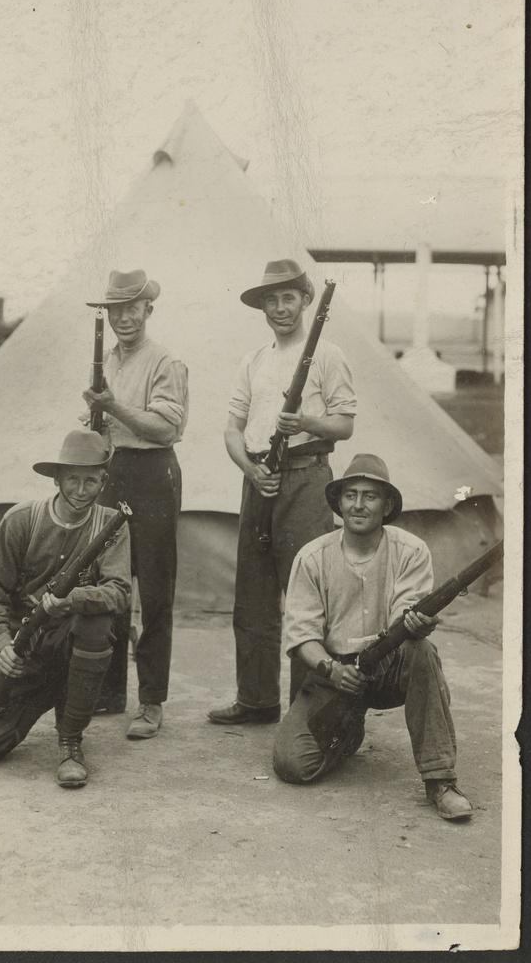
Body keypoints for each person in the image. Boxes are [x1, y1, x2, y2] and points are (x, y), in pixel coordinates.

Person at [272, 454, 473, 822]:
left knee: (422, 651)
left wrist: (416, 623)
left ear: (387, 506)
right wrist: (331, 670)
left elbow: (406, 615)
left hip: (389, 662)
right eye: (351, 495)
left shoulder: (411, 550)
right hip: (333, 670)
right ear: (339, 503)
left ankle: (440, 780)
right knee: (293, 765)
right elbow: (301, 635)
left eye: (370, 496)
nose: (359, 505)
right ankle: (347, 733)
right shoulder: (312, 557)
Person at [208, 259, 356, 725]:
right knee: (252, 591)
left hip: (307, 478)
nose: (280, 308)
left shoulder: (328, 355)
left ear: (306, 299)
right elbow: (232, 429)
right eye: (271, 300)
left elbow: (345, 424)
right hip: (259, 480)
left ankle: (305, 709)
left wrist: (306, 422)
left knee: (307, 593)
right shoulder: (253, 360)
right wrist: (250, 470)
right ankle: (256, 700)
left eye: (288, 297)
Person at [0, 430, 131, 789]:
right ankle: (54, 689)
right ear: (56, 479)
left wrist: (70, 601)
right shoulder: (21, 519)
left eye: (91, 480)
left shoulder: (112, 525)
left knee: (96, 620)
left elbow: (118, 593)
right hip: (23, 642)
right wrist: (1, 645)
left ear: (103, 481)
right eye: (73, 479)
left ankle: (70, 740)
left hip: (71, 638)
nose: (82, 490)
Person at [81, 269, 188, 740]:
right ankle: (108, 691)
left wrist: (113, 407)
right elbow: (98, 422)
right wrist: (94, 417)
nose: (124, 317)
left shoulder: (165, 360)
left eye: (132, 307)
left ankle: (151, 701)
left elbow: (167, 429)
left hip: (153, 474)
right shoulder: (107, 359)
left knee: (156, 592)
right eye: (115, 309)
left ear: (149, 309)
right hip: (113, 470)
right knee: (111, 581)